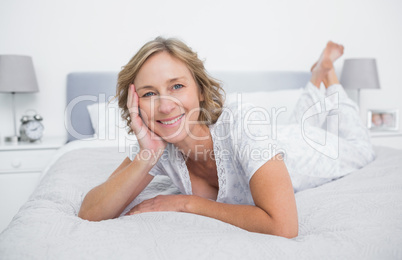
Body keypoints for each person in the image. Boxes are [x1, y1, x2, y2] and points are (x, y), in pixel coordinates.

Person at [78, 38, 375, 238]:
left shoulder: (242, 122)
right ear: (136, 104)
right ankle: (316, 77)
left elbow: (284, 226)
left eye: (177, 86)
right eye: (149, 94)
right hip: (278, 138)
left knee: (358, 147)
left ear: (201, 90)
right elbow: (91, 213)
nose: (165, 105)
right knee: (295, 123)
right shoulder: (155, 143)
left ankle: (329, 75)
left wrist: (187, 204)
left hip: (303, 150)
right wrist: (147, 158)